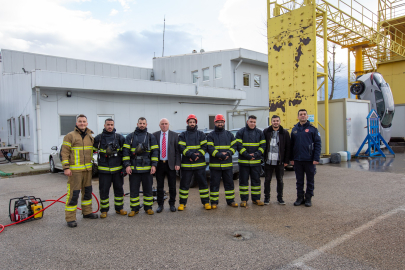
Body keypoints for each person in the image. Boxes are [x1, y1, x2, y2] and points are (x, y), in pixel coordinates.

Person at [61, 114, 98, 228]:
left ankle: (87, 212)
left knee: (87, 192)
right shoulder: (70, 136)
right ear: (76, 123)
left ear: (87, 123)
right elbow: (65, 152)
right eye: (80, 121)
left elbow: (94, 151)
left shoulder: (90, 136)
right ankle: (70, 218)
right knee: (73, 194)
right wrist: (66, 168)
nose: (82, 123)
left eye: (84, 121)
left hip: (87, 170)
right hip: (75, 171)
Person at [123, 117, 159, 216]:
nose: (142, 125)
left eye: (143, 123)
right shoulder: (130, 137)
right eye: (140, 123)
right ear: (137, 124)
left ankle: (148, 208)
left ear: (146, 125)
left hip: (147, 169)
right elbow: (125, 152)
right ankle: (134, 209)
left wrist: (154, 165)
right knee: (134, 190)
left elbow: (155, 152)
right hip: (134, 169)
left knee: (148, 190)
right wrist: (127, 165)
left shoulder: (150, 137)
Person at [93, 118, 127, 218]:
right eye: (108, 124)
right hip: (104, 171)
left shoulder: (119, 138)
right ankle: (104, 210)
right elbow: (91, 151)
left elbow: (125, 154)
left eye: (111, 124)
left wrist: (124, 168)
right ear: (104, 125)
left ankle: (119, 208)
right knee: (104, 191)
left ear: (114, 125)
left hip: (117, 170)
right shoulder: (99, 138)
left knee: (119, 190)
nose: (110, 126)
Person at [177, 114, 210, 210]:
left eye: (193, 122)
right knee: (184, 184)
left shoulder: (201, 134)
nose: (192, 124)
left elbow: (204, 148)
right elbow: (181, 147)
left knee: (203, 184)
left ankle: (206, 203)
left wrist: (197, 155)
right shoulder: (183, 135)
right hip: (187, 165)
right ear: (187, 123)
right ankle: (182, 203)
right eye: (190, 122)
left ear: (196, 123)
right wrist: (191, 155)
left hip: (199, 165)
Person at [290, 109, 321, 207]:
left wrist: (316, 158)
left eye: (304, 114)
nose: (302, 116)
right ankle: (299, 198)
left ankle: (308, 198)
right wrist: (292, 158)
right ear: (298, 117)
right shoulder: (294, 130)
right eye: (300, 114)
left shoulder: (313, 129)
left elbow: (318, 144)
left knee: (310, 181)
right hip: (298, 160)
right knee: (299, 181)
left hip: (309, 160)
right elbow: (291, 146)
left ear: (307, 116)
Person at [206, 114, 238, 208]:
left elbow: (234, 146)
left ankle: (231, 201)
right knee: (214, 184)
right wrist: (219, 155)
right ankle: (214, 202)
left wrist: (228, 154)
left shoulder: (229, 135)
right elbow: (210, 148)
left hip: (227, 165)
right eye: (218, 122)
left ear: (224, 122)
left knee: (229, 184)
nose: (220, 123)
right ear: (215, 122)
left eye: (221, 122)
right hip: (215, 165)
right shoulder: (211, 135)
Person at [235, 115, 266, 207]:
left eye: (254, 122)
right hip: (244, 162)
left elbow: (263, 146)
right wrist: (247, 155)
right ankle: (244, 200)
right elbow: (238, 145)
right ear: (247, 121)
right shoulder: (241, 132)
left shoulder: (260, 133)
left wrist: (256, 154)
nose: (253, 124)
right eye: (251, 121)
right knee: (243, 182)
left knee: (256, 181)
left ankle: (256, 199)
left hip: (256, 163)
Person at [153, 118, 181, 213]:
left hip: (171, 164)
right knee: (159, 186)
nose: (164, 125)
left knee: (172, 186)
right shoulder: (155, 135)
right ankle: (160, 205)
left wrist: (177, 163)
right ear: (159, 125)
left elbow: (177, 151)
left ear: (169, 125)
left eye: (166, 124)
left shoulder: (174, 135)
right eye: (162, 124)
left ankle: (172, 204)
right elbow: (152, 151)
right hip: (159, 164)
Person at [263, 115, 290, 205]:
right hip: (268, 161)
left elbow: (288, 147)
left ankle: (280, 198)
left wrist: (286, 161)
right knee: (267, 180)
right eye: (274, 121)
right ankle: (267, 198)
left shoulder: (285, 133)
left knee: (280, 180)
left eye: (277, 121)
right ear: (271, 122)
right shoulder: (266, 132)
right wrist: (263, 158)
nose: (275, 122)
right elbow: (263, 146)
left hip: (279, 161)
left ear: (280, 122)